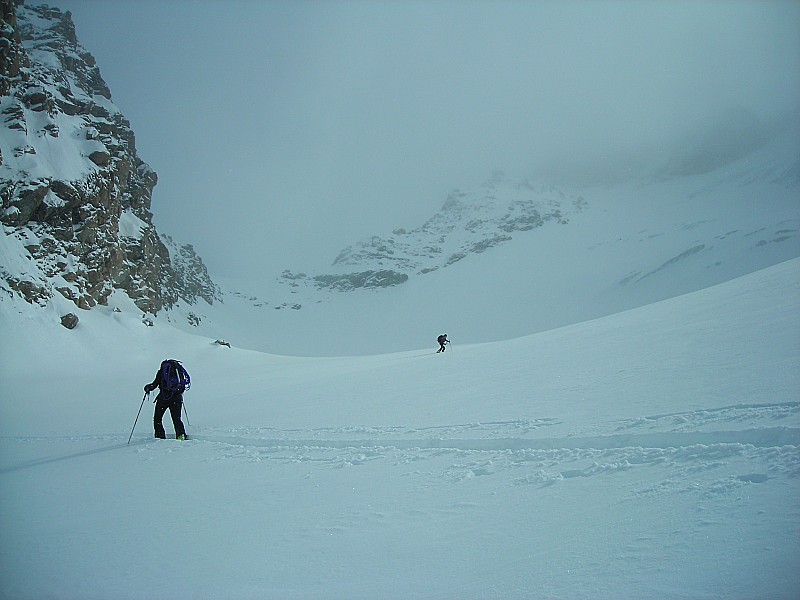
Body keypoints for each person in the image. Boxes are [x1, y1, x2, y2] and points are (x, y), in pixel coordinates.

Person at [144, 359, 188, 440]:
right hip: (177, 398)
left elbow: (154, 384)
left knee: (158, 418)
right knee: (176, 418)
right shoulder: (178, 372)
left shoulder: (161, 372)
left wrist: (147, 388)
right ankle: (181, 435)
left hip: (164, 398)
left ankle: (160, 437)